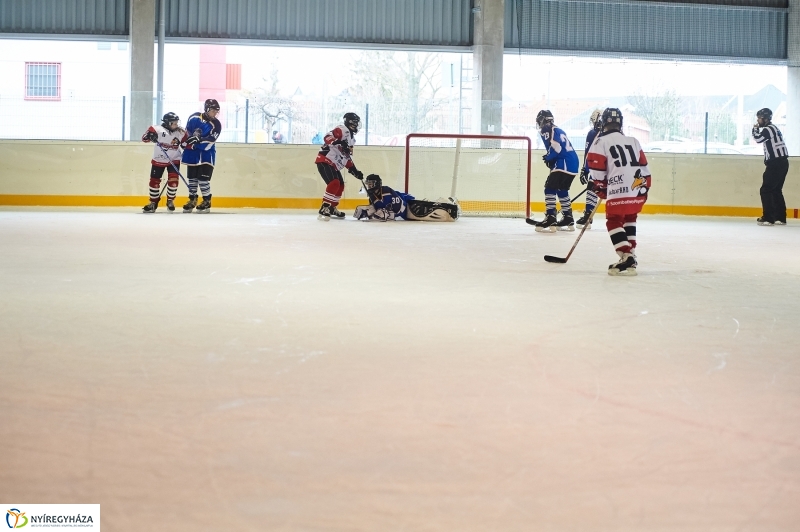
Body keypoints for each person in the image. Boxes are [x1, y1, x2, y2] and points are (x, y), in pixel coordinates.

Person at [586, 108, 653, 276]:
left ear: (603, 124)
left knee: (614, 221)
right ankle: (631, 255)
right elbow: (645, 168)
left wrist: (600, 188)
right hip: (637, 189)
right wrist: (644, 190)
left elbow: (595, 168)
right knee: (630, 219)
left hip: (617, 191)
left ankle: (625, 254)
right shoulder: (634, 141)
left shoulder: (600, 142)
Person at [531, 110, 580, 232]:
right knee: (562, 190)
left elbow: (556, 147)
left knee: (549, 188)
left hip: (563, 163)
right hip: (573, 163)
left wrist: (549, 157)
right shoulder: (559, 129)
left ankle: (551, 216)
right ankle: (568, 217)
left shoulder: (546, 128)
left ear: (542, 120)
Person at [315, 112, 364, 220]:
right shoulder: (342, 130)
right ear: (349, 122)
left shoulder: (352, 139)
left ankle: (332, 207)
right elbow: (327, 137)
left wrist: (353, 169)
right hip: (325, 159)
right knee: (334, 182)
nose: (356, 125)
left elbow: (346, 157)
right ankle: (325, 207)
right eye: (355, 122)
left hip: (333, 163)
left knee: (340, 185)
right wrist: (338, 141)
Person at [181, 99, 222, 213]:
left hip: (206, 154)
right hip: (192, 153)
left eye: (216, 111)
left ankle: (206, 200)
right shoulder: (194, 117)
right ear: (207, 109)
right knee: (192, 178)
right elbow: (187, 132)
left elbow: (211, 140)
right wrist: (185, 142)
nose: (215, 113)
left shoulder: (216, 124)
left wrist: (198, 141)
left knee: (203, 179)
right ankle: (192, 199)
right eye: (213, 110)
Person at [140, 112, 187, 213]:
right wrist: (150, 136)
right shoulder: (156, 129)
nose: (176, 125)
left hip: (174, 160)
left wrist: (192, 142)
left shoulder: (181, 132)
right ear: (167, 123)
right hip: (159, 159)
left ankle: (170, 201)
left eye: (176, 122)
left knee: (173, 182)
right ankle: (153, 203)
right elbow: (144, 138)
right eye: (173, 123)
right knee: (154, 182)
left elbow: (185, 145)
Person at [752, 107, 789, 226]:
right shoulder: (774, 128)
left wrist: (755, 129)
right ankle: (780, 217)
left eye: (759, 118)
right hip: (782, 163)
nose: (758, 121)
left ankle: (768, 217)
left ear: (765, 119)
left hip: (775, 163)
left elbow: (758, 139)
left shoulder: (768, 129)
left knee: (766, 189)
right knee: (776, 190)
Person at [576, 109, 603, 229]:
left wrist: (585, 169)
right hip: (614, 169)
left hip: (599, 167)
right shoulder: (616, 134)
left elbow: (589, 154)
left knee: (592, 186)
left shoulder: (593, 133)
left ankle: (588, 215)